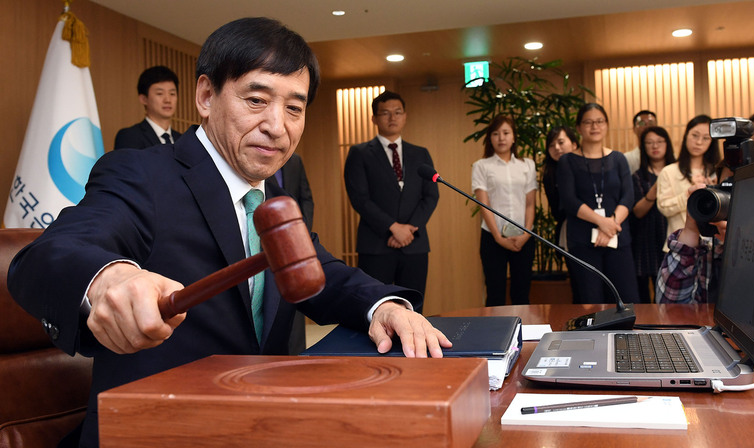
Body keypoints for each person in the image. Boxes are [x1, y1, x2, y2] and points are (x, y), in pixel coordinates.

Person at [8, 18, 451, 447]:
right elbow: (54, 252)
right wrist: (110, 279)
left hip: (264, 425)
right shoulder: (141, 172)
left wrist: (385, 305)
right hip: (159, 432)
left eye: (294, 108)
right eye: (256, 100)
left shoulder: (272, 195)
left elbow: (321, 270)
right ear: (205, 95)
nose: (277, 126)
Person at [656, 143, 754, 303]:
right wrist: (691, 228)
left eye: (750, 189)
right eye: (729, 188)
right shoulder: (710, 242)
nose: (739, 199)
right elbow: (669, 305)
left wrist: (747, 239)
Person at [343, 91, 439, 312]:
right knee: (375, 307)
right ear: (374, 119)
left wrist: (409, 230)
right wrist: (393, 228)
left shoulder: (420, 154)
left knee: (414, 308)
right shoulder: (359, 153)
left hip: (414, 245)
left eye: (397, 112)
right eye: (385, 113)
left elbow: (431, 195)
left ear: (405, 116)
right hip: (376, 245)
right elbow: (359, 198)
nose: (392, 118)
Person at [557, 103, 638, 304]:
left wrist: (610, 225)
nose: (595, 126)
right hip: (583, 241)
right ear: (578, 128)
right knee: (589, 301)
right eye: (588, 122)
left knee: (626, 299)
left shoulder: (618, 158)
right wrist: (602, 223)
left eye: (600, 121)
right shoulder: (567, 161)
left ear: (606, 125)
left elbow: (628, 196)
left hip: (617, 238)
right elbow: (569, 200)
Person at [471, 115, 537, 306]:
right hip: (492, 238)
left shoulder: (527, 165)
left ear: (514, 137)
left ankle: (524, 334)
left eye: (506, 133)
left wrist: (526, 233)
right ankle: (495, 335)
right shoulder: (481, 166)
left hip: (523, 238)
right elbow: (484, 205)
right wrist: (499, 238)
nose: (501, 138)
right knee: (495, 295)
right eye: (496, 133)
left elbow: (530, 203)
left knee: (522, 294)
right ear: (490, 138)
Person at [266, 152, 314, 355]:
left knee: (296, 301)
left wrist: (299, 235)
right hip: (264, 238)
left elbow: (306, 198)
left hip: (295, 239)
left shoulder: (295, 160)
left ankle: (297, 354)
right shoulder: (253, 158)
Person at [656, 115, 720, 250]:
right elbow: (664, 207)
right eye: (695, 135)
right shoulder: (669, 171)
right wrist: (689, 192)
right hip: (680, 245)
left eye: (705, 138)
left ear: (712, 142)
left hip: (713, 246)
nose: (698, 142)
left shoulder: (717, 172)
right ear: (686, 136)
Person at [630, 126, 676, 302]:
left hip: (672, 232)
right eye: (649, 143)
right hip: (646, 236)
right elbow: (638, 212)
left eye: (659, 142)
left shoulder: (678, 171)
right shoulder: (638, 176)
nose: (654, 146)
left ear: (667, 144)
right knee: (643, 293)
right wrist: (656, 188)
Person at [113, 65, 182, 149]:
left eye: (172, 94)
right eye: (159, 93)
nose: (167, 100)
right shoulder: (129, 137)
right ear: (144, 99)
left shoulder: (182, 140)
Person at [542, 126, 579, 249]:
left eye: (561, 142)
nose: (556, 148)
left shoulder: (587, 166)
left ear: (574, 144)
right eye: (551, 145)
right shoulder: (550, 175)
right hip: (568, 228)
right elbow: (556, 210)